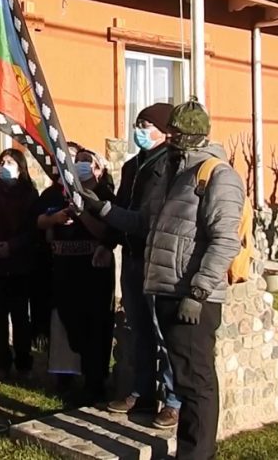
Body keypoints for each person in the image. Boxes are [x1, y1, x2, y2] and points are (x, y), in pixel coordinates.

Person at [84, 98, 245, 460]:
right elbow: (145, 222)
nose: (167, 138)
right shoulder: (174, 174)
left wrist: (199, 291)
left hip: (192, 298)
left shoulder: (218, 176)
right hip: (165, 291)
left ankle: (196, 454)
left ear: (192, 135)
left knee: (196, 382)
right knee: (189, 382)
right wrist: (102, 208)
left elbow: (224, 241)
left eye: (174, 132)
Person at [105, 103, 182, 429]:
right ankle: (142, 391)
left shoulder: (170, 164)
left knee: (164, 332)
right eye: (138, 123)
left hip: (157, 258)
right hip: (133, 257)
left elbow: (147, 218)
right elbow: (121, 206)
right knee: (139, 329)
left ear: (165, 130)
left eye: (147, 124)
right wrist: (106, 242)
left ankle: (173, 399)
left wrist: (108, 212)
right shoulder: (132, 166)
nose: (140, 130)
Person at [37, 145, 116, 404]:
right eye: (76, 160)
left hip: (93, 268)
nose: (79, 163)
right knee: (65, 322)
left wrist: (81, 212)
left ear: (98, 168)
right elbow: (39, 222)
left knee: (95, 325)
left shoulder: (104, 195)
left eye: (85, 160)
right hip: (63, 267)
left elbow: (105, 232)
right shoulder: (55, 193)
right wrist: (56, 219)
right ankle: (64, 377)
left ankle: (95, 381)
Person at [0, 148, 39, 381]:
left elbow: (32, 229)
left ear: (21, 167)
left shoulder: (29, 195)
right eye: (2, 161)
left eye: (11, 162)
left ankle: (24, 362)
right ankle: (2, 362)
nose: (5, 166)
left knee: (20, 316)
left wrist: (12, 246)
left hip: (20, 263)